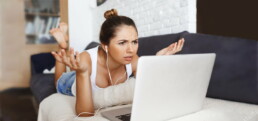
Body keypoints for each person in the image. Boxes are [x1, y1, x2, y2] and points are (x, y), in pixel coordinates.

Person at [50, 9, 184, 117]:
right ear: (105, 46)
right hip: (73, 80)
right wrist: (82, 72)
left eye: (134, 42)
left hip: (85, 70)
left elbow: (151, 89)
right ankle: (62, 45)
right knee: (58, 83)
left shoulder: (133, 60)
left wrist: (156, 60)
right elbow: (85, 114)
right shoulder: (86, 59)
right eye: (122, 43)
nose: (131, 49)